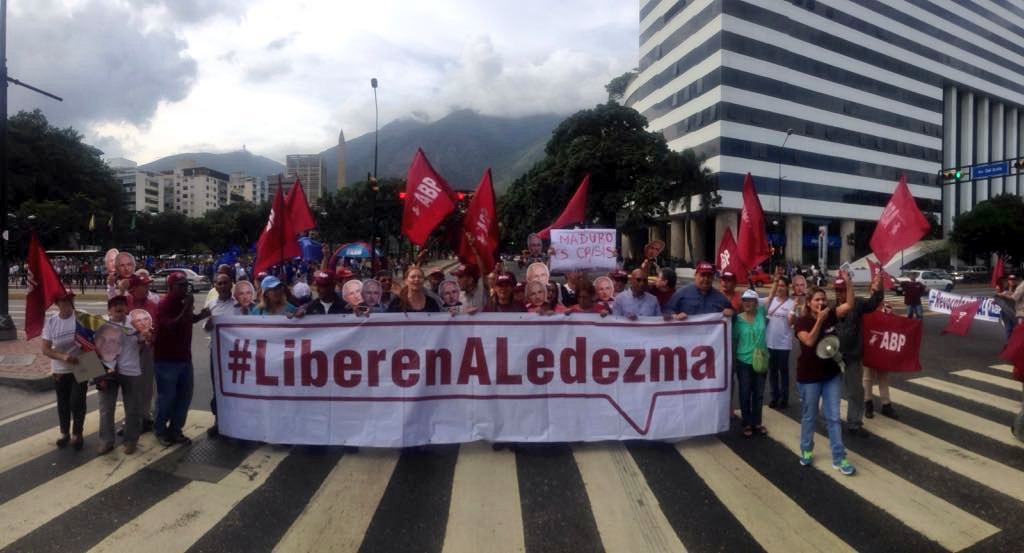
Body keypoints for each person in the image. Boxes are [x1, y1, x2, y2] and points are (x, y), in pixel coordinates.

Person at [793, 286, 856, 475]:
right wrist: (819, 321)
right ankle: (806, 449)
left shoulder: (830, 315)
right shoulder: (802, 321)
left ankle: (839, 457)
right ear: (809, 302)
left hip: (831, 375)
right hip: (809, 377)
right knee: (809, 415)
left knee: (834, 417)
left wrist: (849, 282)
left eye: (823, 300)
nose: (821, 303)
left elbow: (850, 305)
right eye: (817, 300)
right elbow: (809, 342)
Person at [154, 272, 210, 447]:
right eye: (180, 285)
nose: (185, 288)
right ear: (171, 287)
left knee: (184, 396)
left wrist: (201, 315)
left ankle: (176, 429)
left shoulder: (182, 302)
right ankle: (161, 430)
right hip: (166, 360)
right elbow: (170, 326)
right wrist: (187, 308)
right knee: (167, 397)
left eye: (186, 284)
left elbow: (188, 320)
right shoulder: (164, 304)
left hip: (185, 358)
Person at [835, 271, 885, 430]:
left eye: (842, 290)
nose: (839, 293)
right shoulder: (829, 307)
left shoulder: (857, 304)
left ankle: (855, 422)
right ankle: (830, 422)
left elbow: (873, 303)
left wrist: (879, 286)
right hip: (832, 357)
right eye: (837, 290)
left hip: (852, 356)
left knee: (855, 391)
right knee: (830, 392)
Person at [41, 288, 86, 450]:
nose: (68, 303)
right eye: (64, 301)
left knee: (77, 401)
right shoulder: (51, 321)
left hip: (82, 366)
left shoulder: (81, 317)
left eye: (70, 300)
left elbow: (97, 337)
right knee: (63, 403)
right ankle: (65, 433)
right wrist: (63, 357)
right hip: (60, 368)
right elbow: (45, 349)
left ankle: (77, 433)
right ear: (57, 304)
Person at [96, 303, 143, 455]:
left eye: (121, 304)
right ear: (109, 310)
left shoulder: (136, 323)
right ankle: (106, 441)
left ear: (126, 308)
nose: (119, 308)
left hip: (130, 370)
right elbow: (90, 345)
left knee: (133, 408)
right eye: (115, 305)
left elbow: (144, 340)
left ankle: (131, 441)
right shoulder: (101, 323)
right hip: (107, 371)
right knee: (106, 409)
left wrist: (145, 336)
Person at [203, 273, 242, 437]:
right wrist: (209, 323)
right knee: (218, 388)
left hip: (238, 354)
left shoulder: (240, 305)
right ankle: (219, 421)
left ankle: (240, 422)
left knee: (239, 388)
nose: (223, 286)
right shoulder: (210, 304)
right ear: (215, 285)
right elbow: (205, 328)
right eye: (219, 283)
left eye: (226, 283)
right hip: (217, 354)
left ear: (231, 284)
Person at [734, 289, 768, 437]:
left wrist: (778, 277)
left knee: (759, 393)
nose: (747, 303)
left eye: (750, 300)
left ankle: (757, 421)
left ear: (756, 303)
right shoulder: (737, 320)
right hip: (743, 361)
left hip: (761, 359)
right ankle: (747, 422)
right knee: (745, 392)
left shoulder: (761, 314)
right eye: (744, 300)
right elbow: (734, 340)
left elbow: (772, 297)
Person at [663, 261, 734, 319]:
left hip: (711, 335)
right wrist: (674, 315)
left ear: (713, 278)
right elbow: (667, 310)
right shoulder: (681, 293)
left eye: (709, 276)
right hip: (687, 334)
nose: (706, 279)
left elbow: (734, 314)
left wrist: (732, 312)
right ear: (695, 275)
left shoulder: (721, 297)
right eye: (703, 275)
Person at [765, 274, 794, 409]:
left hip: (783, 343)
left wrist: (794, 312)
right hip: (770, 342)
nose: (779, 288)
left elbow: (791, 323)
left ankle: (784, 398)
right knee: (772, 371)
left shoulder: (791, 303)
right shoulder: (771, 300)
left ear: (787, 288)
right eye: (778, 285)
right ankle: (774, 397)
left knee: (783, 371)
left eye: (782, 286)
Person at [995, 275, 1018, 341]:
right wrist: (1000, 293)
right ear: (1008, 281)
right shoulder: (1004, 288)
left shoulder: (1019, 289)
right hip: (1006, 312)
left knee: (1016, 329)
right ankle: (1008, 344)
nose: (1012, 281)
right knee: (1008, 328)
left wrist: (1009, 294)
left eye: (1013, 280)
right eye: (1010, 280)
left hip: (1015, 312)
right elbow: (997, 296)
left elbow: (1017, 296)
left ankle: (1014, 344)